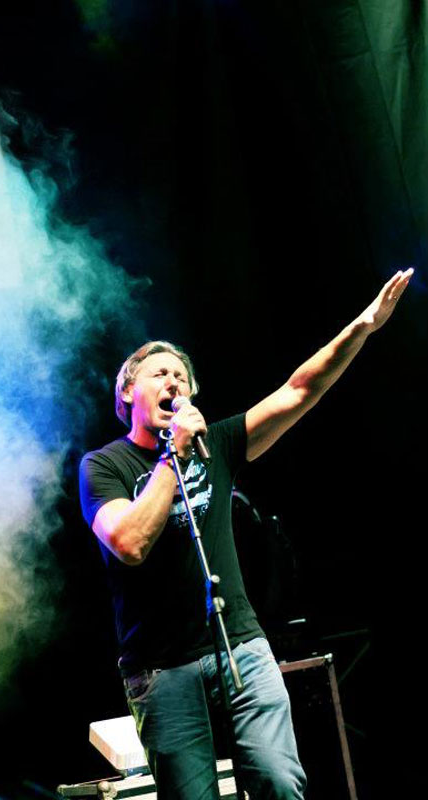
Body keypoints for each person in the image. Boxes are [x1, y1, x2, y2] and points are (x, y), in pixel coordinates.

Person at [79, 269, 412, 799]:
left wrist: (364, 327)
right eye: (160, 374)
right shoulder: (104, 466)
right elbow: (129, 543)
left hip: (240, 646)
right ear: (127, 391)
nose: (174, 383)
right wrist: (173, 455)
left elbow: (299, 389)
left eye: (182, 377)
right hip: (162, 669)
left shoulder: (220, 444)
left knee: (280, 781)